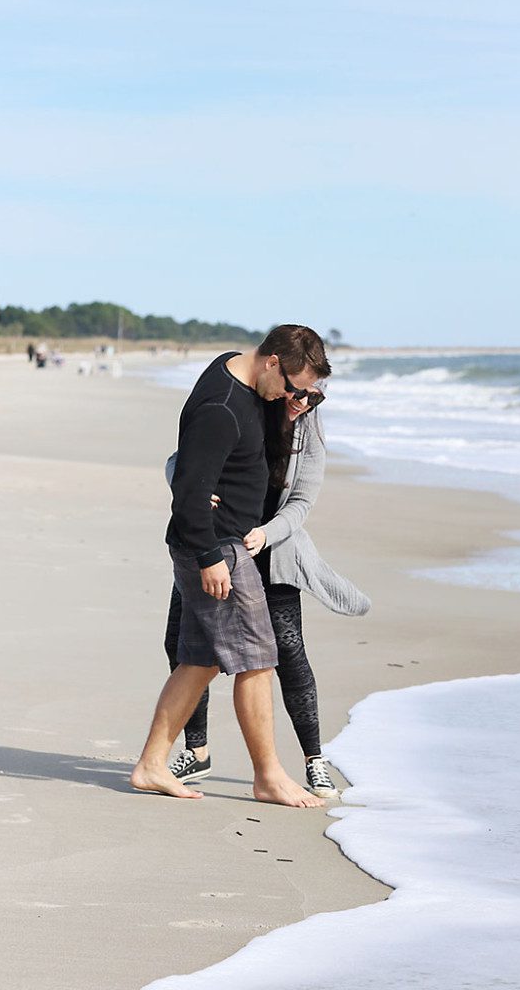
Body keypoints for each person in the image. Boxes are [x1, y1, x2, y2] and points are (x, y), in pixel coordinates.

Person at [130, 325, 331, 807]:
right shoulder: (220, 408)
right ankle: (269, 776)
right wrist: (209, 559)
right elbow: (189, 491)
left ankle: (151, 765)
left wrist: (288, 413)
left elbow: (247, 459)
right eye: (292, 385)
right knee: (259, 660)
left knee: (200, 661)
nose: (294, 395)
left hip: (219, 545)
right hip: (219, 549)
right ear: (272, 363)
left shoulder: (236, 374)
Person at [164, 388, 371, 797]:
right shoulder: (244, 410)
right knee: (182, 646)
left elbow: (301, 501)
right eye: (299, 393)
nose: (304, 403)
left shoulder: (308, 429)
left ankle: (314, 760)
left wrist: (265, 533)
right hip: (213, 545)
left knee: (288, 655)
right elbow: (178, 463)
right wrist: (191, 489)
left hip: (271, 551)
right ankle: (197, 750)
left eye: (316, 397)